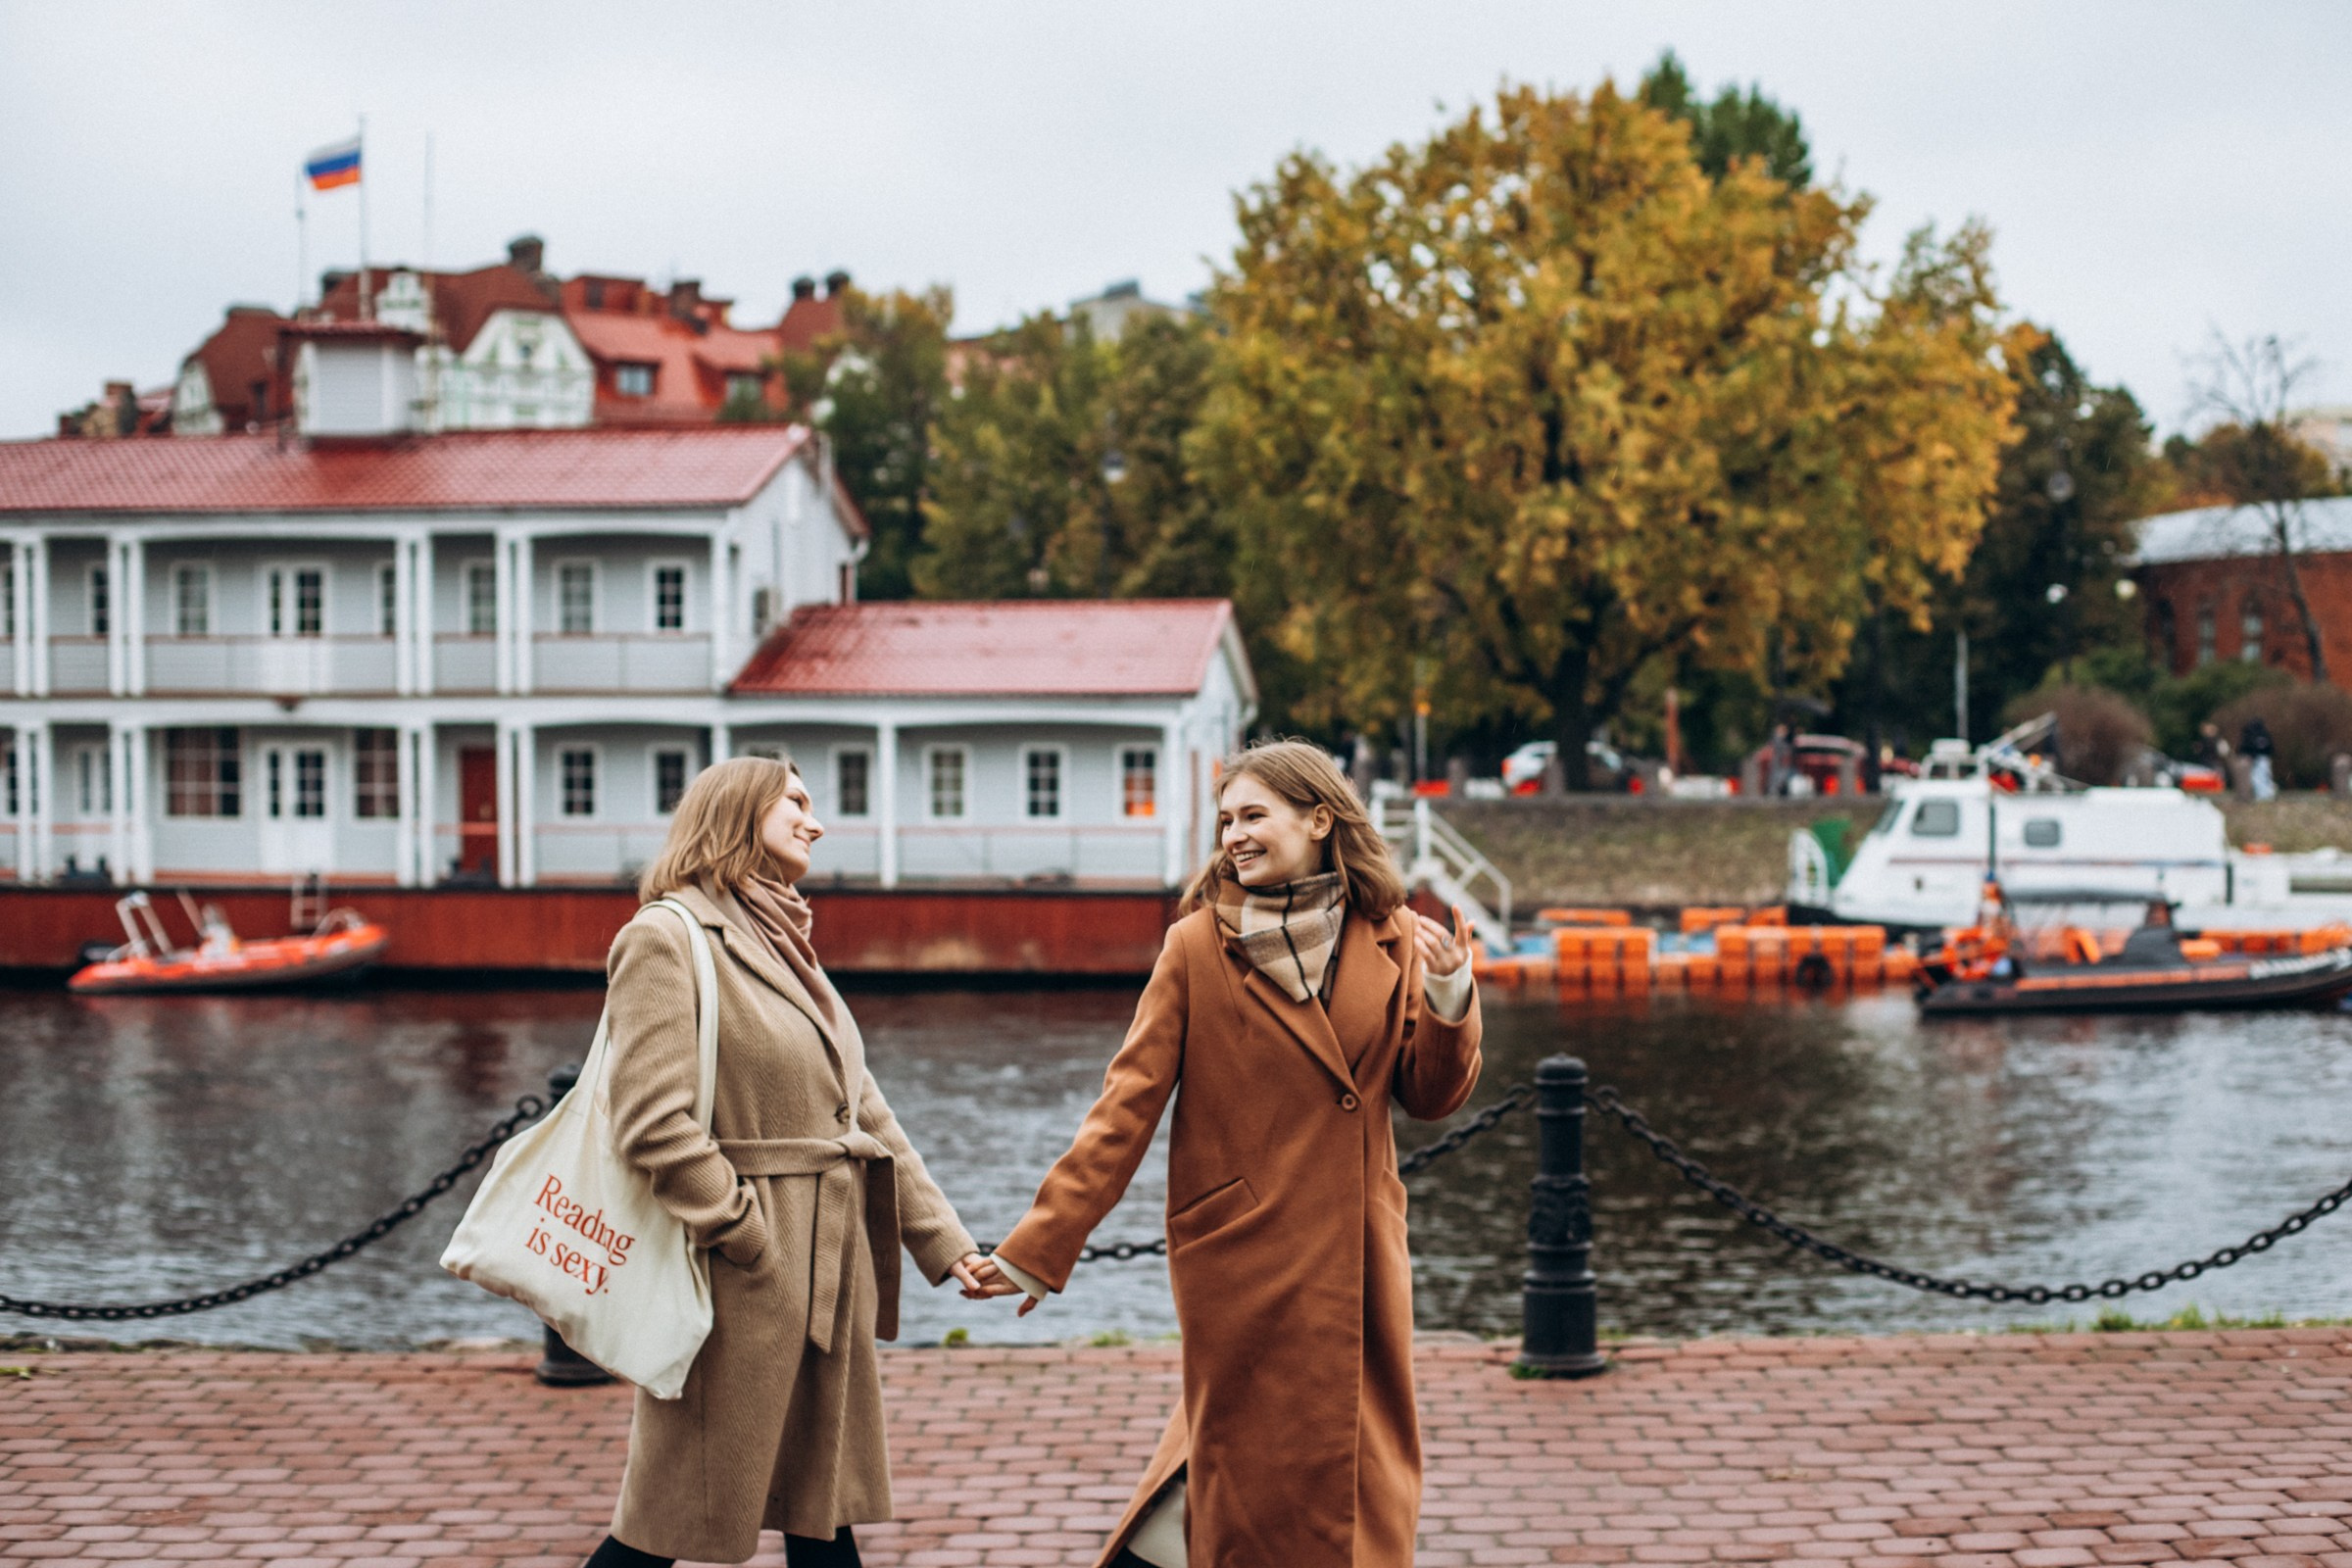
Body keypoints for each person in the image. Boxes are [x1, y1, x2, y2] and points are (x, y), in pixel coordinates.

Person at [968, 738, 1484, 1568]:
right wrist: (1036, 1250)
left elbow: (1429, 1096)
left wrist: (1453, 995)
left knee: (1350, 1476)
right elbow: (1122, 1112)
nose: (1234, 836)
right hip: (1243, 1257)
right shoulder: (1196, 948)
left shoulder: (1388, 939)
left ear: (1319, 819)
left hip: (1357, 1254)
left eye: (1254, 815)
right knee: (1242, 1473)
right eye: (1225, 822)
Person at [581, 756, 994, 1568]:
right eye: (796, 803)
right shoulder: (666, 937)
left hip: (828, 1272)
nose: (816, 821)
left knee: (820, 1513)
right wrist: (746, 1232)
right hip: (745, 1278)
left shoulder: (785, 939)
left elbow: (863, 1113)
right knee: (662, 1523)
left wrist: (948, 1247)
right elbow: (651, 1121)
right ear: (738, 813)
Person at [2241, 715, 2278, 802]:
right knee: (2260, 777)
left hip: (2262, 759)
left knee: (2260, 777)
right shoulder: (2264, 734)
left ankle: (2265, 795)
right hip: (2261, 759)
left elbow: (2246, 747)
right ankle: (2264, 794)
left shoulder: (2254, 734)